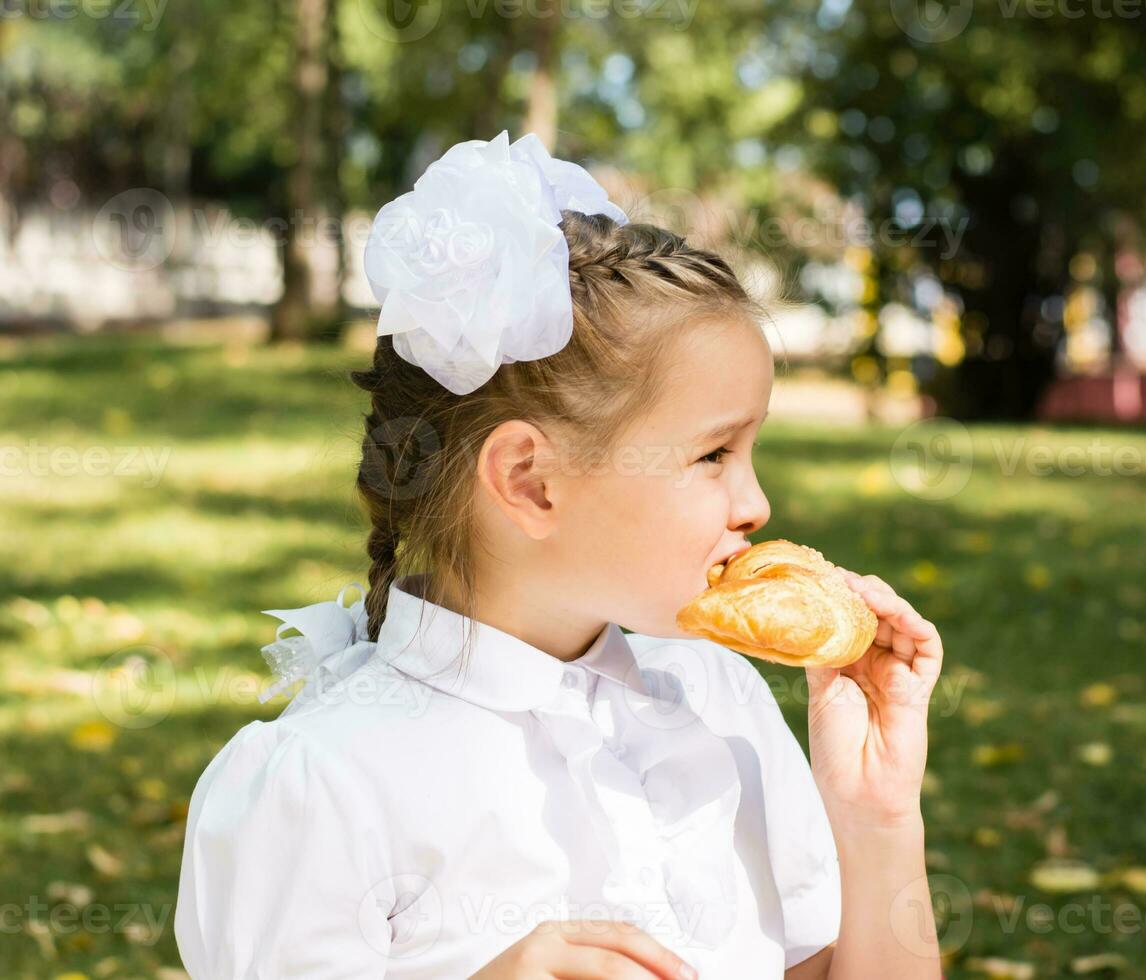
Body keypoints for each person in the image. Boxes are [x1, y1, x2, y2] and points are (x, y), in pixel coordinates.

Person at [175, 131, 944, 979]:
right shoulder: (323, 785)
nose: (756, 505)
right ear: (532, 481)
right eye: (713, 456)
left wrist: (878, 823)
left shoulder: (721, 700)